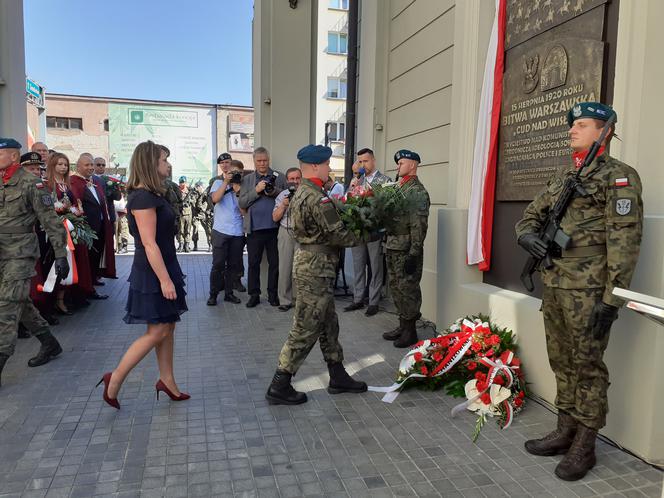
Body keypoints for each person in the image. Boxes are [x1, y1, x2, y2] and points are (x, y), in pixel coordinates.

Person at [515, 103, 643, 481]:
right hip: (555, 284)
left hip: (590, 289)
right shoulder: (564, 174)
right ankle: (565, 430)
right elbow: (530, 216)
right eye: (572, 124)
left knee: (587, 365)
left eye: (581, 124)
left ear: (602, 131)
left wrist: (613, 298)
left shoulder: (619, 177)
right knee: (561, 360)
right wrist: (527, 238)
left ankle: (585, 445)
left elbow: (626, 241)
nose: (572, 129)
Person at [265, 144, 367, 405]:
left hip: (312, 264)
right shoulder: (316, 197)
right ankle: (280, 383)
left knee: (328, 322)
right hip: (316, 267)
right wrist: (369, 233)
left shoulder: (303, 192)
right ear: (313, 167)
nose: (328, 168)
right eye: (325, 164)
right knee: (306, 326)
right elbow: (338, 234)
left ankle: (337, 374)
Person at [98, 141, 189, 409]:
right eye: (164, 160)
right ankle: (113, 380)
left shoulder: (154, 194)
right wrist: (165, 279)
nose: (168, 164)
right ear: (151, 164)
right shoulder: (143, 197)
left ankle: (167, 381)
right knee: (158, 329)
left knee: (167, 326)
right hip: (153, 269)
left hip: (163, 263)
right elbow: (149, 243)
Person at [0, 138, 69, 387]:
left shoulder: (33, 183)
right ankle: (49, 343)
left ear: (13, 157)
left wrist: (61, 255)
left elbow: (50, 220)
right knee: (21, 302)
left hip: (20, 252)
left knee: (6, 306)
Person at [382, 149, 430, 348]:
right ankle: (402, 325)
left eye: (402, 162)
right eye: (398, 163)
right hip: (393, 246)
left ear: (413, 165)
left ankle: (410, 331)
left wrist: (414, 252)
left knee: (408, 289)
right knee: (396, 288)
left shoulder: (417, 192)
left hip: (406, 249)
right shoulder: (399, 188)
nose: (398, 166)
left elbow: (418, 225)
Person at [344, 148, 391, 316]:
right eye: (360, 161)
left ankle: (373, 301)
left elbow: (387, 206)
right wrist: (351, 188)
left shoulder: (384, 180)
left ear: (373, 160)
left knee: (375, 267)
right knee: (358, 266)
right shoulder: (357, 180)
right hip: (358, 230)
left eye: (366, 161)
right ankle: (358, 299)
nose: (363, 164)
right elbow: (346, 203)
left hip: (375, 230)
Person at [238, 147, 287, 307]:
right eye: (259, 161)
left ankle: (273, 295)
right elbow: (242, 203)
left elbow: (287, 196)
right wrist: (257, 190)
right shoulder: (247, 179)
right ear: (254, 161)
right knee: (253, 263)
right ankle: (254, 295)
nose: (262, 163)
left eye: (265, 160)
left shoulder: (279, 177)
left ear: (269, 159)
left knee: (275, 264)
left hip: (275, 228)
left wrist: (273, 191)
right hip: (254, 229)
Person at [69, 154, 115, 297]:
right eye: (86, 165)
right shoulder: (74, 182)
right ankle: (87, 289)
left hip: (100, 226)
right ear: (78, 166)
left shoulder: (97, 181)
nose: (90, 168)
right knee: (87, 259)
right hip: (86, 229)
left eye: (91, 165)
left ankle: (93, 280)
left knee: (95, 257)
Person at [206, 159, 245, 306]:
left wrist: (238, 191)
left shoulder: (242, 187)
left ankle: (229, 293)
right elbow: (215, 198)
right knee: (218, 264)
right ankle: (213, 294)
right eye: (233, 172)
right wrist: (226, 182)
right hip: (221, 230)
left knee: (233, 265)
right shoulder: (217, 183)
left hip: (237, 232)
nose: (236, 175)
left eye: (239, 173)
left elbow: (243, 211)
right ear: (227, 172)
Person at [272, 167, 302, 311]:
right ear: (287, 180)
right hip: (285, 232)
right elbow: (275, 217)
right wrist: (283, 205)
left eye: (297, 178)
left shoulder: (306, 194)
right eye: (292, 179)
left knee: (302, 269)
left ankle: (300, 300)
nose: (295, 182)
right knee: (285, 268)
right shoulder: (282, 195)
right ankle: (285, 300)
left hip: (303, 234)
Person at [191, 181, 211, 251]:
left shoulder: (205, 193)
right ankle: (195, 245)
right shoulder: (193, 193)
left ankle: (210, 245)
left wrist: (204, 209)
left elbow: (208, 202)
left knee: (207, 230)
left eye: (200, 186)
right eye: (198, 186)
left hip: (203, 213)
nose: (199, 188)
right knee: (195, 229)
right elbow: (192, 202)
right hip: (195, 214)